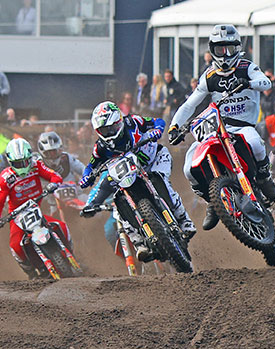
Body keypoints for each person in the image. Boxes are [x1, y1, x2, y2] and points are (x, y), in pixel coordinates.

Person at [168, 24, 275, 230]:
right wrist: (174, 126)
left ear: (237, 48)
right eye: (221, 49)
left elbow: (266, 83)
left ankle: (264, 179)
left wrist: (248, 83)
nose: (226, 54)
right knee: (188, 167)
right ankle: (213, 201)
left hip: (243, 125)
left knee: (256, 142)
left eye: (230, 48)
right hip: (217, 127)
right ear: (212, 50)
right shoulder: (209, 76)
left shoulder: (247, 67)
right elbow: (189, 104)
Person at [79, 101, 196, 254]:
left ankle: (184, 220)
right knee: (119, 203)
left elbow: (158, 122)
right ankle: (139, 243)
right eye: (104, 130)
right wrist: (86, 176)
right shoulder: (100, 147)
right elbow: (91, 165)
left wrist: (158, 130)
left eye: (111, 127)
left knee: (161, 181)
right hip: (129, 174)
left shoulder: (132, 121)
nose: (109, 132)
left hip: (155, 160)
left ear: (118, 121)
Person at [0, 138, 71, 279]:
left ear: (29, 158)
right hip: (17, 215)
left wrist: (53, 184)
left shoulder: (36, 164)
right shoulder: (6, 177)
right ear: (10, 162)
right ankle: (32, 272)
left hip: (36, 208)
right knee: (16, 245)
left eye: (25, 162)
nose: (22, 166)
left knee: (62, 226)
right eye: (17, 164)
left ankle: (70, 255)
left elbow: (54, 175)